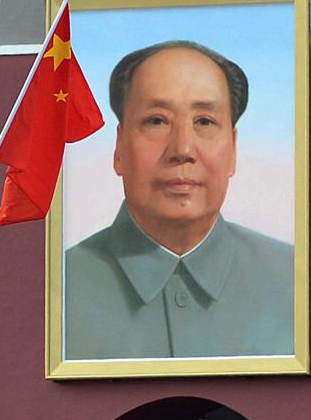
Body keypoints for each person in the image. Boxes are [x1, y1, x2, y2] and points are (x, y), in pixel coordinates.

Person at [64, 41, 294, 360]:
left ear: (233, 150)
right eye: (157, 121)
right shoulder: (60, 287)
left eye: (204, 122)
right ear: (118, 148)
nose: (182, 149)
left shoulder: (294, 279)